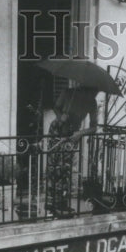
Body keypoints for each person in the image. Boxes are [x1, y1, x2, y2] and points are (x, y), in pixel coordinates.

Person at [45, 85, 100, 216]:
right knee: (53, 167)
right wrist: (60, 116)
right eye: (94, 89)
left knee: (66, 170)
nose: (95, 92)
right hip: (57, 131)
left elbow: (94, 127)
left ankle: (62, 204)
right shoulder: (68, 92)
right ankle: (50, 205)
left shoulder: (92, 102)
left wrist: (80, 133)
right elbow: (56, 107)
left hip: (73, 134)